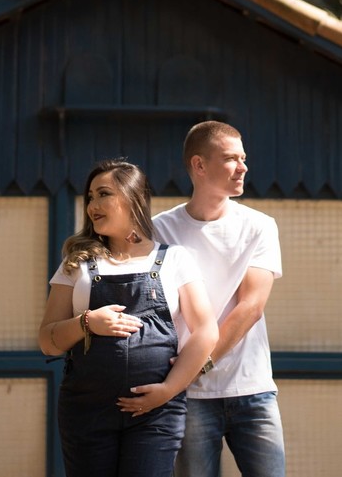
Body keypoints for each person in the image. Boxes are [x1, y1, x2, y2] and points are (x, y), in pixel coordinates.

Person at [39, 159, 218, 477]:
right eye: (90, 196)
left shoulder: (174, 259)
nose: (93, 204)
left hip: (156, 415)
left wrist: (168, 390)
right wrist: (87, 323)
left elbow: (205, 332)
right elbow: (48, 342)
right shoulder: (76, 263)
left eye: (103, 194)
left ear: (133, 198)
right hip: (86, 412)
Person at [151, 121, 285, 477]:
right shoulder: (159, 230)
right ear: (199, 165)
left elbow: (251, 307)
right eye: (230, 159)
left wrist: (197, 365)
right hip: (190, 399)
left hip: (252, 389)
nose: (243, 167)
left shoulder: (260, 226)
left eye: (243, 158)